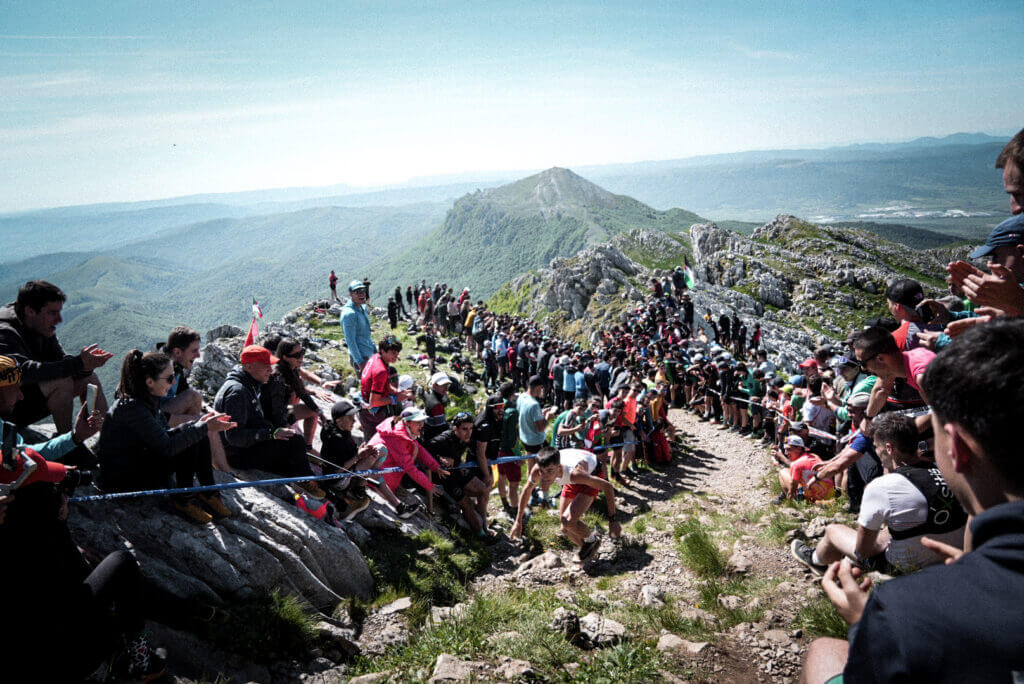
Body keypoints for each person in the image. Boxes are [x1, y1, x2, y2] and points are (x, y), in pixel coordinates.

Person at [801, 318, 1024, 684]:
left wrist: (873, 629)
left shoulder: (904, 610)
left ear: (955, 447)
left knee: (823, 652)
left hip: (901, 579)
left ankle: (814, 557)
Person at [792, 412, 965, 578]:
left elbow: (864, 551)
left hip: (902, 567)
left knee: (833, 530)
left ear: (889, 448)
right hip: (951, 558)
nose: (876, 452)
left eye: (876, 446)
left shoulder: (882, 487)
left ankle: (815, 560)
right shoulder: (945, 472)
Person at [96, 350, 236, 524]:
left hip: (137, 462)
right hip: (124, 481)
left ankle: (208, 491)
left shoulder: (146, 400)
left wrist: (200, 424)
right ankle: (182, 500)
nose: (174, 382)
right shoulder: (134, 409)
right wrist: (202, 426)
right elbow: (167, 447)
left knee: (196, 433)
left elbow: (163, 435)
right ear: (149, 382)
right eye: (169, 378)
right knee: (191, 438)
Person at [213, 344, 325, 499]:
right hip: (237, 454)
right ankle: (306, 480)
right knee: (295, 440)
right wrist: (272, 433)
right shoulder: (237, 392)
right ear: (250, 367)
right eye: (266, 366)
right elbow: (234, 436)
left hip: (243, 448)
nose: (270, 370)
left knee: (290, 455)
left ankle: (303, 479)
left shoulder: (248, 384)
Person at [0, 280, 113, 433]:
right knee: (61, 383)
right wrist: (78, 363)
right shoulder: (5, 330)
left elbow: (60, 360)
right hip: (7, 408)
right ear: (30, 311)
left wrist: (86, 366)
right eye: (52, 313)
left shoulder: (38, 323)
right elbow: (23, 371)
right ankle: (67, 444)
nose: (59, 320)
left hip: (24, 399)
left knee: (90, 379)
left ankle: (106, 436)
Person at [510, 446, 621, 563]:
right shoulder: (538, 470)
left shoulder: (575, 474)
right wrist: (518, 521)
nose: (545, 476)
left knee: (568, 521)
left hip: (590, 473)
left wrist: (612, 520)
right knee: (565, 528)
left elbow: (608, 487)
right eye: (542, 471)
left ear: (558, 467)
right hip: (573, 474)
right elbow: (526, 490)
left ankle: (592, 541)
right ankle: (590, 551)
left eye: (550, 471)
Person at [368, 406, 449, 518]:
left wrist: (436, 467)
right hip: (376, 483)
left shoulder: (401, 429)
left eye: (422, 422)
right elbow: (410, 468)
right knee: (414, 449)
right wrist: (429, 486)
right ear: (407, 423)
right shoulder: (397, 437)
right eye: (418, 422)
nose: (421, 425)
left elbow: (419, 449)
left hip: (382, 477)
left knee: (415, 446)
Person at [426, 411, 494, 540]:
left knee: (484, 490)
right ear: (455, 428)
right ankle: (481, 535)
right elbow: (425, 448)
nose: (468, 432)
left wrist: (458, 462)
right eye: (464, 429)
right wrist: (440, 458)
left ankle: (484, 524)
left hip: (456, 470)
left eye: (470, 428)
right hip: (444, 477)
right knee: (466, 503)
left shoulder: (465, 438)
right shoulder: (444, 438)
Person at [318, 399, 383, 520]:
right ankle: (357, 491)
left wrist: (359, 451)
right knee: (373, 456)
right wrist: (359, 456)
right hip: (337, 480)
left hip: (345, 473)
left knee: (379, 450)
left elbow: (348, 452)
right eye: (350, 418)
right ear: (339, 421)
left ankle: (357, 488)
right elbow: (337, 470)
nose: (354, 421)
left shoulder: (339, 429)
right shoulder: (335, 439)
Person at [853, 326, 934, 420]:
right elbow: (881, 389)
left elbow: (941, 416)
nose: (863, 369)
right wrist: (868, 418)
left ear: (880, 359)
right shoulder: (912, 359)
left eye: (863, 363)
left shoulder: (922, 377)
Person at [358, 335, 409, 440]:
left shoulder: (376, 357)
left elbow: (381, 384)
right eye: (393, 353)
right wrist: (395, 399)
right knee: (375, 445)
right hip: (373, 413)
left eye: (397, 353)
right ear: (383, 351)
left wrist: (396, 392)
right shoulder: (381, 371)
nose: (396, 356)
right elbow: (374, 402)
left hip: (365, 407)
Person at [775, 435, 835, 504]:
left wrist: (789, 502)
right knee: (790, 471)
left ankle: (795, 500)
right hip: (829, 495)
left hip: (811, 499)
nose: (785, 453)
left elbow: (793, 487)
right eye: (785, 449)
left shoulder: (797, 464)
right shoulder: (814, 456)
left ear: (799, 448)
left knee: (783, 471)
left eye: (789, 449)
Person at [339, 279, 375, 373]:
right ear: (351, 294)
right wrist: (360, 362)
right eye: (358, 292)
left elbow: (366, 334)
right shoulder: (349, 314)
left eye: (363, 291)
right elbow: (350, 341)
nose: (362, 294)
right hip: (362, 357)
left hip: (369, 352)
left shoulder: (362, 308)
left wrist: (375, 350)